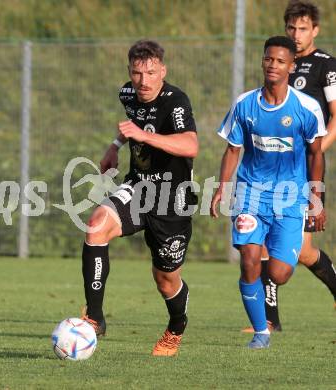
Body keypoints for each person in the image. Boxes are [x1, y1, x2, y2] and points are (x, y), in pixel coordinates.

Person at [80, 39, 198, 357]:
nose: (143, 81)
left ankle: (176, 327)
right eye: (136, 73)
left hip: (171, 200)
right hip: (138, 187)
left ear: (162, 71)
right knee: (96, 226)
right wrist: (114, 147)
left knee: (166, 281)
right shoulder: (128, 93)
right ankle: (94, 317)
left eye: (150, 73)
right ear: (130, 72)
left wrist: (145, 136)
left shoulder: (175, 102)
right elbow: (131, 123)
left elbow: (190, 145)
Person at [211, 36, 326, 348]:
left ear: (291, 66)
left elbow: (316, 155)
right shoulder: (245, 104)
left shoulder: (306, 108)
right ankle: (261, 331)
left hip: (291, 198)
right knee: (249, 258)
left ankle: (266, 311)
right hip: (250, 193)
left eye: (279, 61)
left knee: (279, 272)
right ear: (262, 61)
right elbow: (232, 150)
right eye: (268, 59)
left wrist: (316, 200)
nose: (272, 65)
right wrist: (222, 188)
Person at [248, 0, 336, 333]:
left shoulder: (326, 66)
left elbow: (335, 119)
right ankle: (269, 320)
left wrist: (311, 152)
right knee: (275, 242)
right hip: (270, 170)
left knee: (303, 250)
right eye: (291, 28)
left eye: (302, 29)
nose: (296, 35)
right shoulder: (280, 62)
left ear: (315, 30)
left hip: (303, 171)